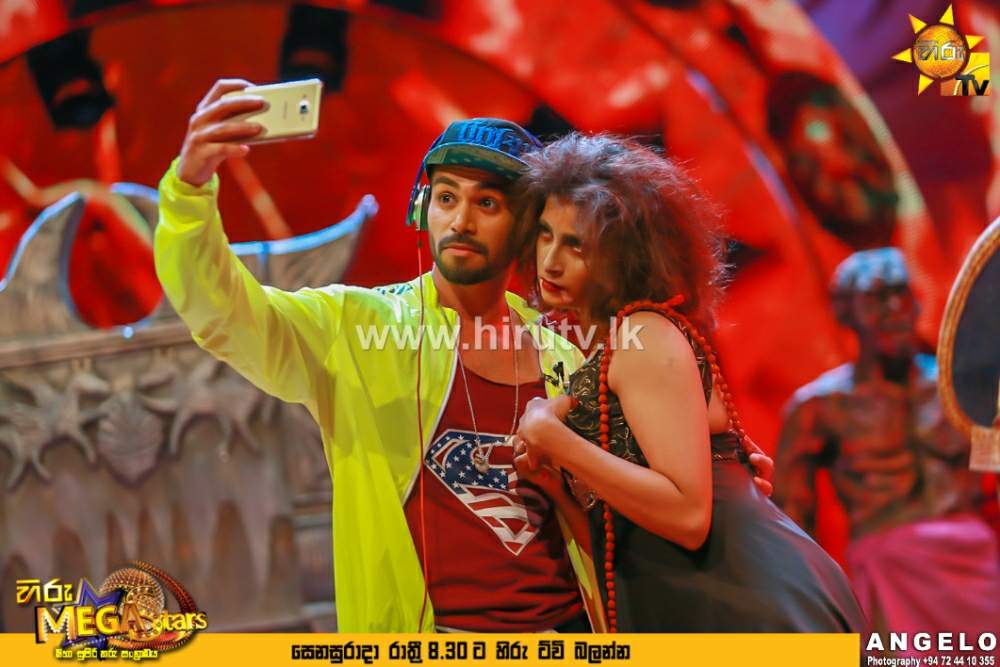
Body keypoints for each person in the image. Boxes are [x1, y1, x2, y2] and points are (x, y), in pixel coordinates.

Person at [154, 81, 775, 633]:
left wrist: (724, 474)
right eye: (446, 197)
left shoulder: (573, 351)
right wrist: (189, 190)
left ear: (527, 227)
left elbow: (637, 510)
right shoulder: (357, 327)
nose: (461, 221)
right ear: (422, 208)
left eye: (488, 203)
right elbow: (223, 312)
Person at [510, 132, 865, 632]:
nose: (550, 260)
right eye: (545, 234)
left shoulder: (644, 333)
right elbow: (624, 543)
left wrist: (551, 436)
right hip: (700, 599)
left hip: (749, 603)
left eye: (576, 244)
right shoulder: (618, 341)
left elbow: (687, 518)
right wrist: (557, 485)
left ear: (623, 254)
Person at [774, 247, 1000, 642]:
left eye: (902, 294)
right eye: (877, 299)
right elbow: (794, 524)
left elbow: (994, 470)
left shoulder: (958, 388)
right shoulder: (821, 407)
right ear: (846, 312)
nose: (895, 310)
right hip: (888, 575)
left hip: (974, 568)